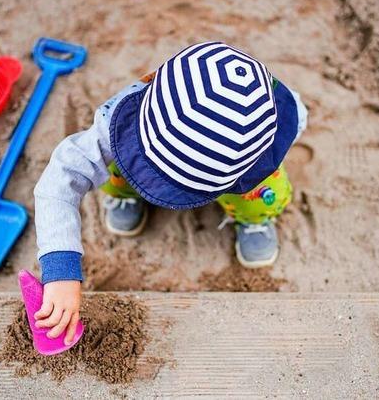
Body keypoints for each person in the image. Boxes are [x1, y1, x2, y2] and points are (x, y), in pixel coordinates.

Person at [32, 42, 308, 344]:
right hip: (140, 148)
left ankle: (253, 216)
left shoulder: (281, 117)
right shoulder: (118, 121)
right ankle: (127, 192)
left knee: (262, 191)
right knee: (115, 167)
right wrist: (60, 269)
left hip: (238, 174)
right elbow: (61, 178)